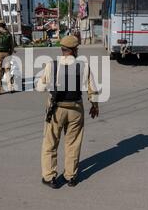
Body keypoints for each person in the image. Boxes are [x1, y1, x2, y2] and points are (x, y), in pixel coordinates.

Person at [35, 35, 100, 188]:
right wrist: (94, 106)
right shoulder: (83, 66)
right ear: (75, 50)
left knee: (50, 143)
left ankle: (50, 177)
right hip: (76, 109)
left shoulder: (52, 65)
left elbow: (40, 87)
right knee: (73, 143)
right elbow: (93, 89)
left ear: (62, 49)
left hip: (56, 110)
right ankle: (70, 176)